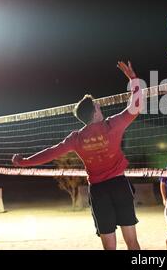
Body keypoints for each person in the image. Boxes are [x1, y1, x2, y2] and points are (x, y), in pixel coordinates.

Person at [11, 61, 142, 250]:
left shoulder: (77, 138)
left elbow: (50, 152)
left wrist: (24, 162)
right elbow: (136, 105)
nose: (100, 107)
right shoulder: (112, 125)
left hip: (98, 191)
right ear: (95, 112)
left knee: (109, 247)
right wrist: (133, 79)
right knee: (132, 242)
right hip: (119, 185)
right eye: (97, 106)